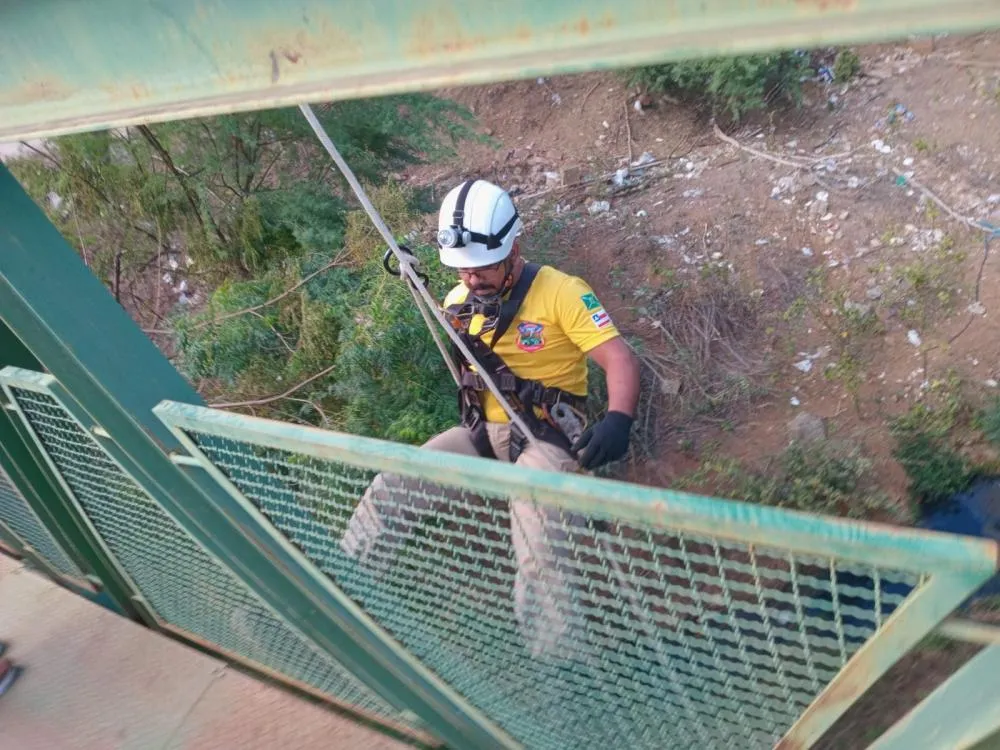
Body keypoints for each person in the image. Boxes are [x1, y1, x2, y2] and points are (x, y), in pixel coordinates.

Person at [341, 179, 641, 657]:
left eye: (481, 268)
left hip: (545, 440)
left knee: (538, 542)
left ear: (513, 251)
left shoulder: (562, 292)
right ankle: (341, 592)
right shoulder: (457, 303)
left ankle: (560, 661)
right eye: (462, 269)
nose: (471, 279)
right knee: (395, 484)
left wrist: (618, 419)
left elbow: (618, 357)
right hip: (482, 434)